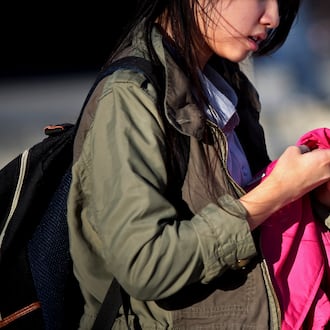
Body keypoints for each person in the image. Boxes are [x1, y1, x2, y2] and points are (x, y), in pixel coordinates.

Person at [67, 0, 330, 328]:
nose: (273, 18)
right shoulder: (130, 96)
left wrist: (311, 195)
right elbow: (144, 265)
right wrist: (275, 193)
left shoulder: (224, 82)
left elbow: (243, 221)